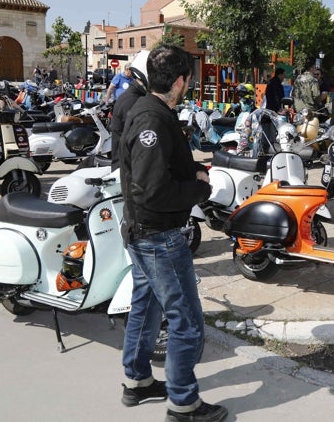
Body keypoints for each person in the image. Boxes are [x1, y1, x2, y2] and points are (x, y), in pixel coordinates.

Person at [118, 45, 226, 422]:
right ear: (180, 81)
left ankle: (137, 380)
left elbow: (154, 171)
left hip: (142, 231)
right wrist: (199, 188)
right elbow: (154, 189)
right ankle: (183, 403)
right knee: (186, 320)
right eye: (190, 80)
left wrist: (190, 171)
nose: (190, 86)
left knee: (146, 305)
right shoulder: (152, 120)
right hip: (157, 235)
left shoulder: (152, 112)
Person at [110, 66, 147, 171]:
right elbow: (136, 136)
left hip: (126, 164)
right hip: (126, 167)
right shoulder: (132, 101)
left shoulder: (132, 96)